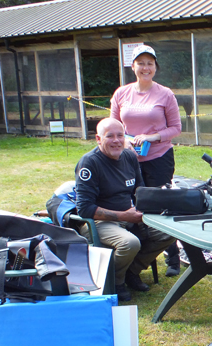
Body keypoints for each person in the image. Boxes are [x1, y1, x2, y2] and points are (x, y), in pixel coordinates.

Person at [75, 118, 175, 302]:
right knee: (130, 243)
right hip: (99, 221)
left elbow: (140, 191)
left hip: (129, 214)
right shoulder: (90, 163)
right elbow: (84, 209)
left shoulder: (129, 157)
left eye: (120, 135)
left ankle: (132, 271)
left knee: (169, 232)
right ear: (98, 139)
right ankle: (115, 281)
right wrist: (125, 216)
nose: (116, 140)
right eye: (109, 136)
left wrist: (147, 209)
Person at [110, 43, 183, 277]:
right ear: (133, 67)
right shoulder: (121, 93)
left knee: (161, 205)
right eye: (140, 63)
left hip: (158, 158)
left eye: (149, 63)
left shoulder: (165, 94)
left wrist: (152, 137)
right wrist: (124, 141)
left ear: (155, 67)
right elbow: (113, 126)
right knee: (132, 205)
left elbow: (176, 128)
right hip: (128, 159)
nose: (145, 67)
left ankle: (172, 257)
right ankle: (139, 254)